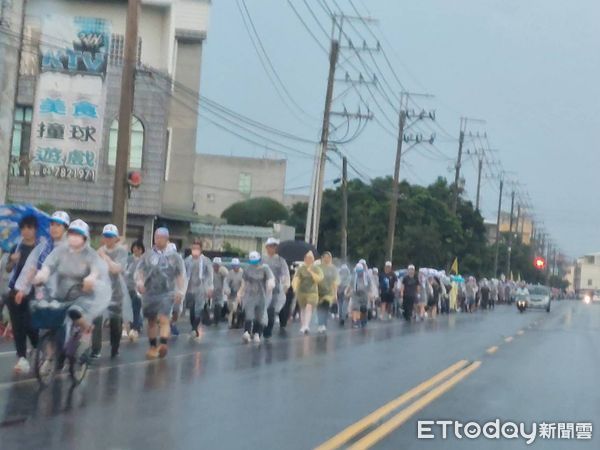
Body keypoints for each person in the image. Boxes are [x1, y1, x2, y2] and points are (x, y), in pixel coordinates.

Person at [32, 219, 111, 356]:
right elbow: (48, 265)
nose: (74, 237)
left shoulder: (90, 254)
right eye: (72, 233)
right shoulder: (60, 251)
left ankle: (86, 328)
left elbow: (95, 269)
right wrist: (42, 275)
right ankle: (49, 358)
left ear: (85, 238)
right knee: (49, 318)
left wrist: (91, 278)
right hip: (61, 293)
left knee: (74, 313)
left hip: (83, 294)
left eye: (78, 234)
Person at [135, 228, 187, 359]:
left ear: (167, 239)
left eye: (162, 237)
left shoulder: (175, 257)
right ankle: (153, 347)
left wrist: (180, 291)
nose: (158, 239)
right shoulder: (147, 255)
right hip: (150, 292)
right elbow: (140, 270)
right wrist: (140, 282)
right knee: (151, 321)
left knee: (164, 319)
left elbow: (180, 275)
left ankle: (163, 344)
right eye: (156, 237)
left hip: (167, 293)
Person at [5, 215, 41, 373]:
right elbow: (8, 269)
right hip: (14, 291)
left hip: (33, 292)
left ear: (35, 229)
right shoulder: (17, 247)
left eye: (29, 227)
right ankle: (22, 358)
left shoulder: (41, 248)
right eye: (23, 228)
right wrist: (12, 260)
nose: (26, 231)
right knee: (18, 327)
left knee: (30, 324)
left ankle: (37, 346)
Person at [92, 224, 132, 359]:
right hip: (101, 291)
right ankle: (95, 350)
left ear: (115, 238)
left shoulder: (121, 251)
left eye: (111, 237)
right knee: (97, 320)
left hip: (116, 292)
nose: (108, 239)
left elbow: (116, 269)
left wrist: (105, 257)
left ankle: (115, 347)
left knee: (115, 323)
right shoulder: (98, 251)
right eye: (106, 236)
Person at [237, 251, 274, 344]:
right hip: (250, 295)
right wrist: (239, 293)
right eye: (252, 261)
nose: (254, 263)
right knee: (249, 314)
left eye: (255, 260)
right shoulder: (247, 269)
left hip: (262, 295)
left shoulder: (265, 268)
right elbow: (243, 283)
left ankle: (257, 333)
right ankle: (247, 332)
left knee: (260, 316)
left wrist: (270, 284)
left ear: (259, 259)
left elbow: (271, 279)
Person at [183, 240, 213, 341]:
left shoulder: (205, 261)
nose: (195, 250)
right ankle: (193, 327)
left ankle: (194, 328)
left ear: (200, 250)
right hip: (190, 287)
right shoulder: (187, 260)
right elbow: (183, 273)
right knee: (191, 309)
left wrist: (209, 287)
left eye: (197, 248)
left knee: (198, 309)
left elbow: (210, 275)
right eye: (193, 248)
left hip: (201, 288)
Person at [262, 238, 291, 339]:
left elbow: (286, 274)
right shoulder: (262, 259)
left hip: (275, 290)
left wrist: (286, 284)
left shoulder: (280, 260)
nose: (272, 248)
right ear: (266, 247)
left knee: (271, 310)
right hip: (262, 289)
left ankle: (267, 330)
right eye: (270, 246)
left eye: (274, 246)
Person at [292, 251, 323, 335]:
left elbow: (319, 279)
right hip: (302, 292)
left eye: (311, 258)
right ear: (305, 259)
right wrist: (295, 287)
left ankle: (306, 325)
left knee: (309, 307)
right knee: (302, 309)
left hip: (312, 292)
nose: (309, 260)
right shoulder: (301, 269)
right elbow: (296, 278)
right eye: (307, 258)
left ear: (313, 260)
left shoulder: (316, 268)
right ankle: (303, 325)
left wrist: (311, 272)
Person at [124, 241, 145, 340]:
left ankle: (134, 328)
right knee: (128, 308)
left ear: (141, 250)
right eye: (134, 249)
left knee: (136, 309)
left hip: (138, 289)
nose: (135, 251)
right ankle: (134, 325)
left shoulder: (144, 261)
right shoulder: (129, 259)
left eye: (137, 249)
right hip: (128, 287)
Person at [316, 251, 339, 333]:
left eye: (328, 257)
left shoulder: (333, 269)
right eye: (325, 257)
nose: (326, 259)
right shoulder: (318, 267)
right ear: (322, 258)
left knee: (325, 308)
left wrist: (335, 294)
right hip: (318, 291)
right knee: (319, 308)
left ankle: (323, 324)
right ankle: (320, 324)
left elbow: (335, 282)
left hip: (328, 292)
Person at [347, 263, 371, 328]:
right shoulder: (354, 276)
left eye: (360, 271)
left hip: (364, 294)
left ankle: (363, 321)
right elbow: (351, 285)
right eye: (358, 271)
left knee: (363, 308)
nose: (359, 273)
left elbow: (369, 285)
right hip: (355, 293)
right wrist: (348, 291)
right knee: (355, 307)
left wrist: (369, 293)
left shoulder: (366, 276)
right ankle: (355, 321)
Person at [224, 258, 243, 328]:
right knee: (231, 308)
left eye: (236, 266)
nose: (235, 267)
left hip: (240, 293)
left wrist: (240, 293)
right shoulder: (230, 273)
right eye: (233, 266)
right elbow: (226, 282)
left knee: (237, 308)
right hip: (232, 292)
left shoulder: (242, 273)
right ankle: (232, 322)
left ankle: (238, 322)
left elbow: (244, 284)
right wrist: (227, 290)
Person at [211, 257, 229, 325]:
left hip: (220, 291)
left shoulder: (223, 271)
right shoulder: (211, 271)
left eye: (217, 265)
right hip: (212, 291)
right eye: (215, 265)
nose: (216, 267)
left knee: (218, 306)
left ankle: (217, 320)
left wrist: (225, 290)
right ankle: (213, 318)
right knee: (212, 306)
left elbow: (226, 281)